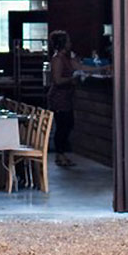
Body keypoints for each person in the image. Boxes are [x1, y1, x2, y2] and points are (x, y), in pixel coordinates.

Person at [47, 30, 78, 167]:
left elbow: (79, 66)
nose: (70, 43)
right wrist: (72, 79)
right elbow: (57, 80)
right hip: (59, 98)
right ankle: (60, 155)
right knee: (62, 126)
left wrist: (102, 68)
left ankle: (61, 154)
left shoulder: (66, 58)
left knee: (68, 124)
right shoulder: (57, 59)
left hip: (66, 98)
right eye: (68, 41)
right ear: (63, 43)